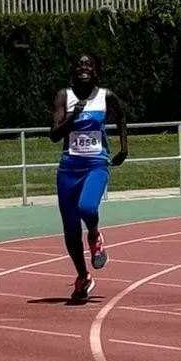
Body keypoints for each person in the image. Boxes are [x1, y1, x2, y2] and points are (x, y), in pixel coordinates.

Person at [49, 53, 128, 303]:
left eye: (88, 64)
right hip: (69, 169)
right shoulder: (64, 96)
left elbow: (122, 117)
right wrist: (73, 116)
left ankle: (94, 234)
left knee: (87, 207)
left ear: (95, 71)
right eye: (79, 64)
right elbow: (54, 134)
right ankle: (83, 277)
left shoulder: (106, 96)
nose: (84, 67)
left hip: (96, 164)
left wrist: (124, 147)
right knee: (71, 231)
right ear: (73, 70)